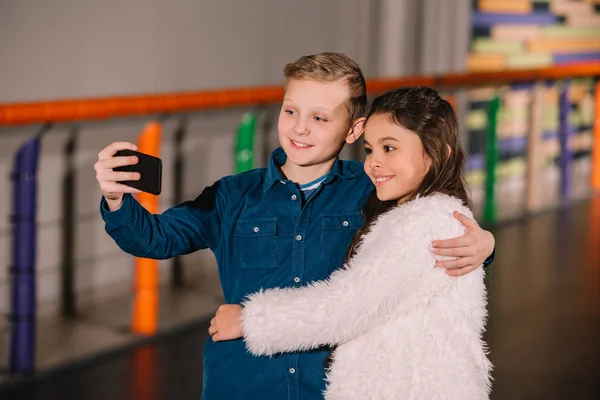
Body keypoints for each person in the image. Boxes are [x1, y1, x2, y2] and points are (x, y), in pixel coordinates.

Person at [94, 54, 495, 400]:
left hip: (326, 387)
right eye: (291, 111)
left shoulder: (376, 188)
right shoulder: (234, 194)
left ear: (354, 129)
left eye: (320, 118)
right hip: (242, 385)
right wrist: (116, 199)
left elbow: (424, 243)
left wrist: (485, 245)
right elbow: (154, 237)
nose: (300, 129)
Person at [209, 86, 492, 400]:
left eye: (390, 148)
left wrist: (250, 320)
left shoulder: (426, 222)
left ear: (438, 153)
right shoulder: (418, 213)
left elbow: (345, 308)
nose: (373, 163)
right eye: (370, 149)